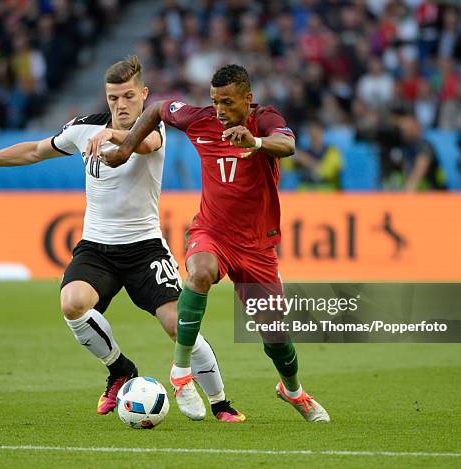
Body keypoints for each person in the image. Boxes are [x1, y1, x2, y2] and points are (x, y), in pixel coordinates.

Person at [0, 56, 243, 423]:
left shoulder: (155, 126)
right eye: (113, 98)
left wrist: (116, 135)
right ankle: (120, 369)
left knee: (177, 324)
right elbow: (36, 150)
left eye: (128, 97)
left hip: (144, 248)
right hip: (96, 248)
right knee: (72, 303)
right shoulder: (84, 129)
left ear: (144, 95)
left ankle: (220, 402)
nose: (121, 105)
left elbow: (147, 144)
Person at [100, 64, 330, 422]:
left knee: (276, 338)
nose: (220, 110)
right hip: (212, 232)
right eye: (215, 101)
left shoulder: (266, 119)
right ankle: (180, 373)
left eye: (228, 102)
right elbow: (159, 109)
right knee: (201, 271)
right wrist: (128, 148)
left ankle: (292, 390)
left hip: (257, 246)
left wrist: (254, 142)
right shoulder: (200, 120)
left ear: (248, 100)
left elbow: (287, 145)